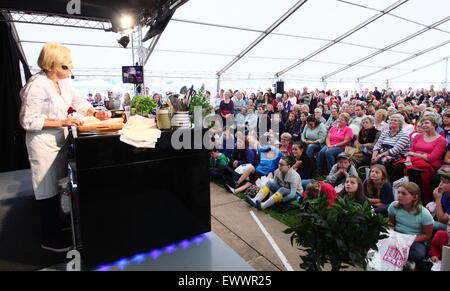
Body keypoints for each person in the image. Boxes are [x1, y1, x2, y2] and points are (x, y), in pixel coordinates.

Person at [19, 42, 110, 252]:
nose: (70, 69)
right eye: (66, 66)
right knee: (46, 189)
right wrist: (63, 122)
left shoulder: (64, 82)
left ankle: (57, 225)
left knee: (59, 185)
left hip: (59, 141)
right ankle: (48, 238)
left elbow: (79, 102)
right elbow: (27, 121)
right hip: (42, 144)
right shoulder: (36, 85)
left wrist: (95, 113)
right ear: (51, 65)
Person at [392, 115, 446, 204]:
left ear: (434, 125)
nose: (424, 125)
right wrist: (408, 159)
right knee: (399, 166)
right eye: (422, 123)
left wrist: (413, 154)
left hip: (429, 164)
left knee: (413, 171)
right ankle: (396, 195)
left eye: (426, 123)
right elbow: (411, 151)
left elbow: (431, 158)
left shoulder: (441, 140)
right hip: (413, 160)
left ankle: (417, 200)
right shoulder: (418, 136)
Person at [388, 182, 434, 266]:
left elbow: (427, 235)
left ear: (415, 197)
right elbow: (391, 223)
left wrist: (407, 239)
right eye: (398, 192)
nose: (399, 195)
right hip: (397, 235)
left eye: (403, 194)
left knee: (419, 253)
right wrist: (391, 233)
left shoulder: (424, 213)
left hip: (414, 239)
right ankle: (406, 261)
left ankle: (404, 260)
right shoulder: (393, 206)